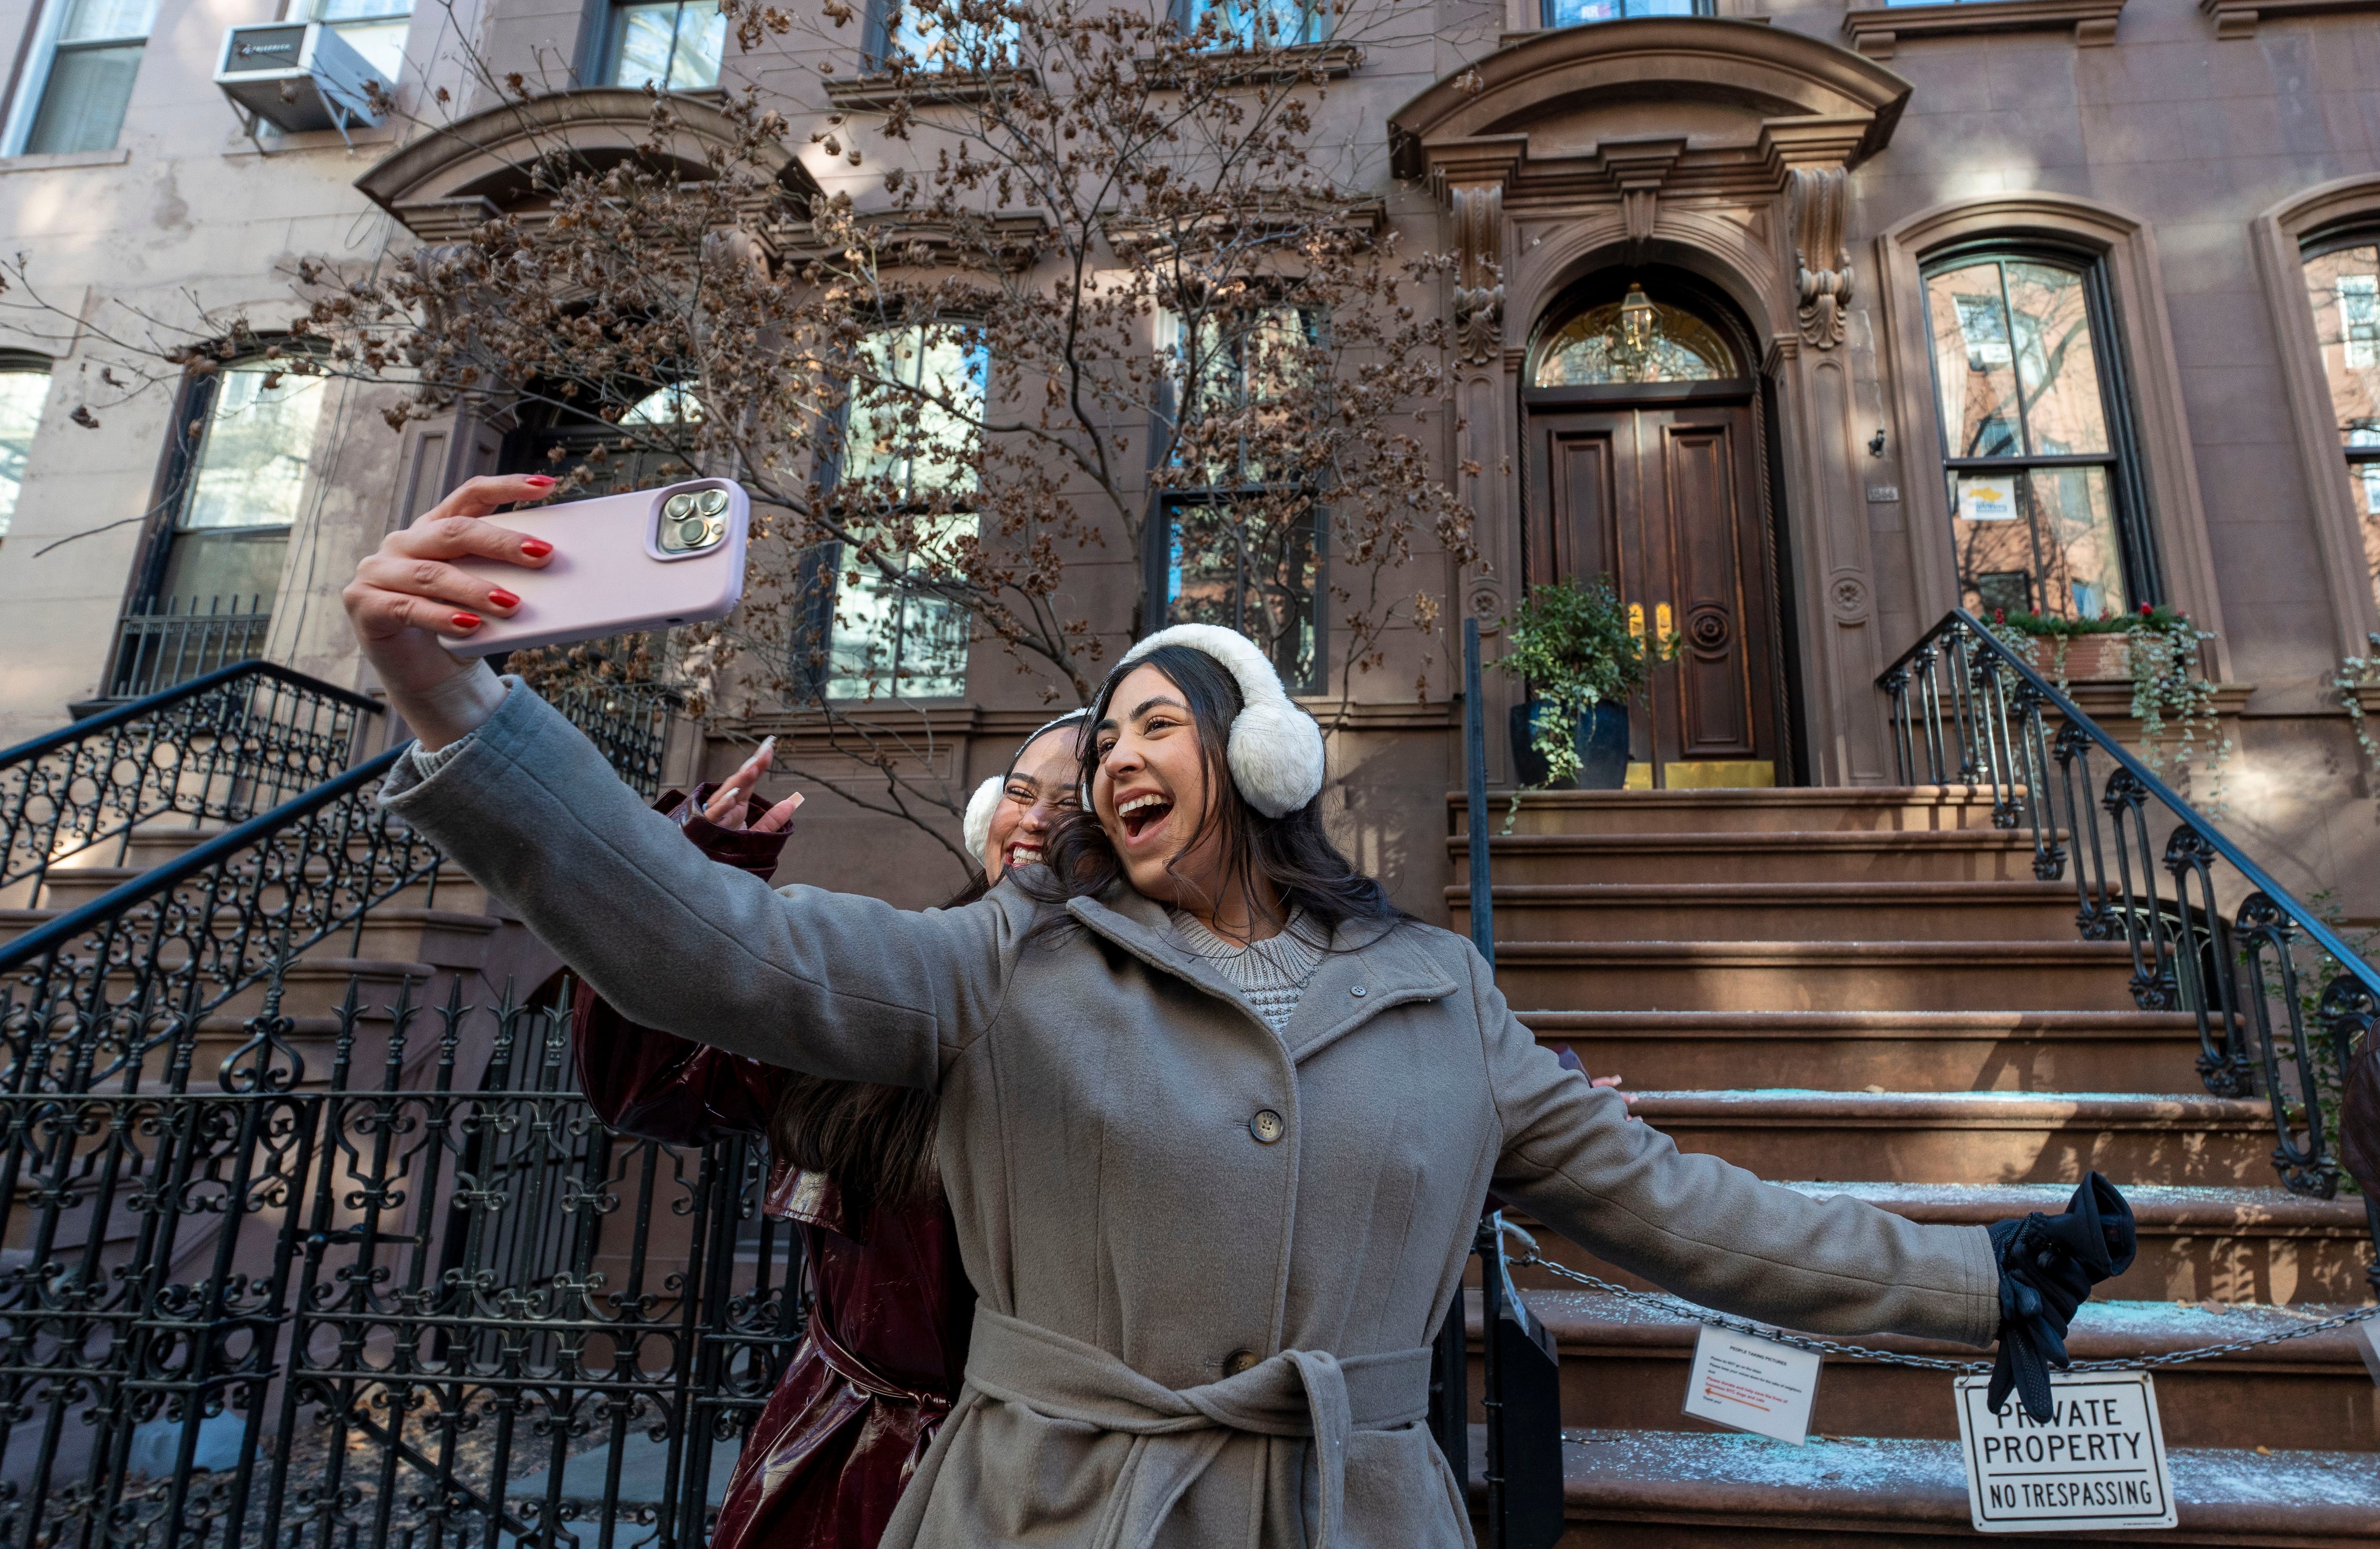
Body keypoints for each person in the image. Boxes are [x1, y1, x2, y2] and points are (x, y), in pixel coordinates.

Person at [350, 473, 2133, 1549]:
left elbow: (1684, 1211)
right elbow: (714, 951)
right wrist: (467, 722)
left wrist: (1984, 1282)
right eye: (1099, 731)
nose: (1119, 755)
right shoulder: (1003, 969)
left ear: (1259, 760)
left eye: (1157, 719)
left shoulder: (1442, 994)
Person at [569, 712, 1087, 1549]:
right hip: (846, 1477)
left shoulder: (1158, 1026)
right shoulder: (887, 978)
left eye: (1074, 804)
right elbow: (649, 1084)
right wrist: (698, 865)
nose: (1033, 819)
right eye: (1020, 793)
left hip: (1052, 1489)